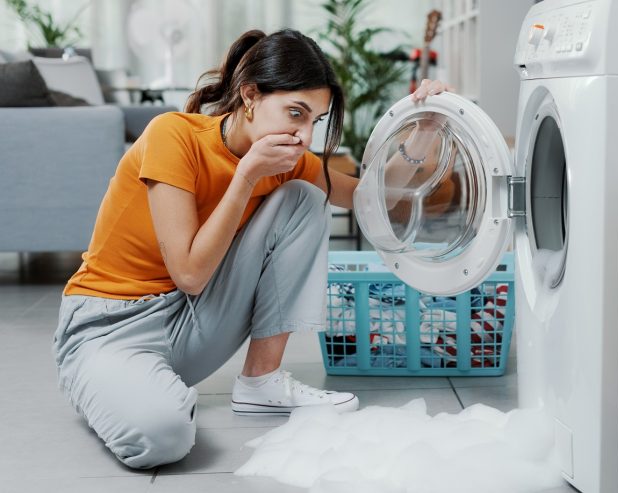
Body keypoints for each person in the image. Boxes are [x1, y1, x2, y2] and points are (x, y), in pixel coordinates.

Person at [52, 28, 453, 469]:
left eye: (314, 121)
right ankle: (115, 384)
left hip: (191, 319)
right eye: (295, 113)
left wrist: (423, 131)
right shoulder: (174, 136)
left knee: (303, 199)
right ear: (249, 96)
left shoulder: (287, 163)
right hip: (110, 326)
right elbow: (189, 272)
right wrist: (246, 176)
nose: (303, 135)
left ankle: (260, 384)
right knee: (162, 439)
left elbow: (373, 199)